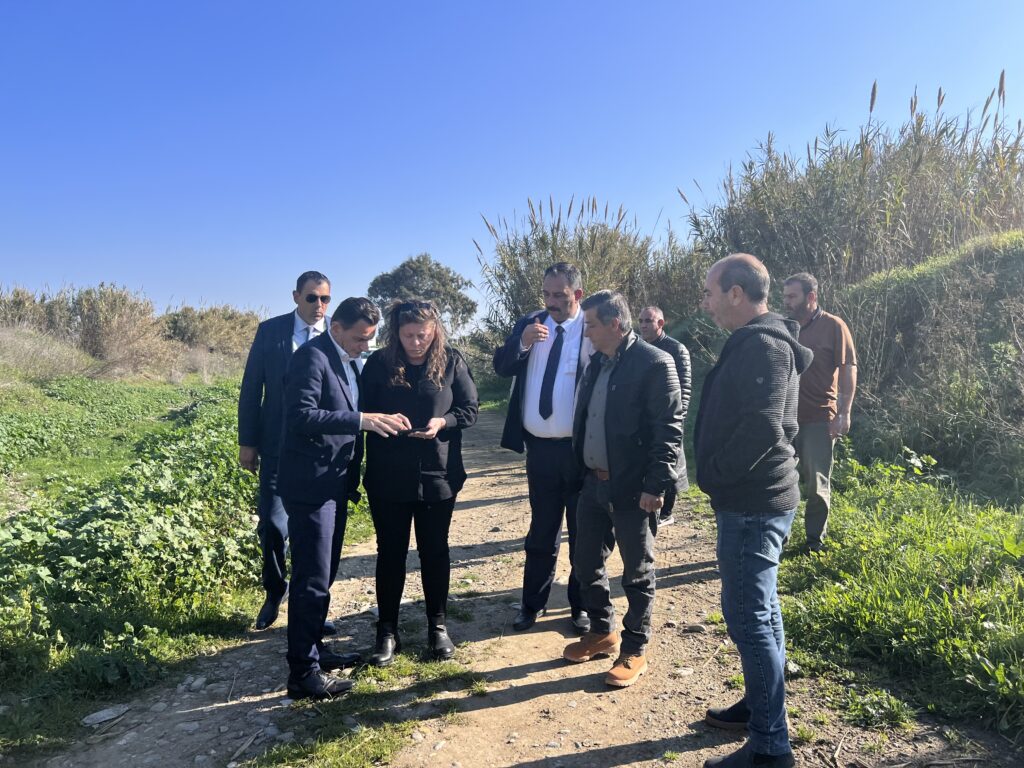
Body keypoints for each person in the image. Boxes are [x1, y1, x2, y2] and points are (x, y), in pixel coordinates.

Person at [695, 254, 811, 768]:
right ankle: (759, 708)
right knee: (762, 613)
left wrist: (714, 473)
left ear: (736, 293)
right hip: (759, 499)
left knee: (749, 618)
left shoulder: (763, 344)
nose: (707, 301)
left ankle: (770, 746)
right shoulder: (763, 339)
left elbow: (763, 428)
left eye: (710, 291)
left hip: (753, 501)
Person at [277, 297, 411, 700]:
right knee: (311, 581)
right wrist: (362, 420)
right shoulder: (312, 359)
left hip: (333, 485)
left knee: (325, 574)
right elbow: (301, 416)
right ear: (336, 328)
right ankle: (303, 673)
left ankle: (316, 650)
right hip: (311, 485)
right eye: (359, 338)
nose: (365, 346)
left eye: (370, 338)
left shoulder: (342, 359)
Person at [562, 291, 683, 688]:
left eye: (591, 325)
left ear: (616, 324)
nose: (587, 333)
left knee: (637, 572)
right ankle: (602, 632)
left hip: (634, 489)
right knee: (584, 565)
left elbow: (668, 431)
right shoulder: (597, 362)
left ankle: (634, 649)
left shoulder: (654, 363)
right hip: (592, 483)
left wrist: (656, 486)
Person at [359, 300, 479, 666]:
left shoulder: (452, 360)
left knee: (434, 551)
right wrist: (377, 419)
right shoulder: (378, 364)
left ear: (435, 331)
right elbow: (358, 409)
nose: (415, 343)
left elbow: (469, 409)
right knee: (390, 553)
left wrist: (442, 422)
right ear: (396, 333)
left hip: (437, 474)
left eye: (422, 336)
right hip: (387, 475)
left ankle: (437, 627)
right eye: (408, 335)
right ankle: (387, 632)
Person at [493, 262, 599, 634]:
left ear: (578, 295)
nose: (551, 303)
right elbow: (501, 367)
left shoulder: (591, 327)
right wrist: (522, 343)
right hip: (540, 450)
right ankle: (531, 604)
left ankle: (581, 606)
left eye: (560, 295)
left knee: (583, 532)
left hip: (580, 451)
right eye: (547, 294)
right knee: (541, 531)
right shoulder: (530, 322)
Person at [238, 270, 340, 633]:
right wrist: (247, 442)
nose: (319, 305)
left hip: (320, 454)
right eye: (312, 297)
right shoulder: (271, 332)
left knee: (315, 535)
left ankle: (313, 607)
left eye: (325, 298)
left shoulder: (336, 336)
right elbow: (252, 388)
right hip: (278, 448)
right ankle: (274, 591)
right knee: (272, 525)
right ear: (296, 296)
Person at [782, 272, 858, 552]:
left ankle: (814, 541)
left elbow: (849, 368)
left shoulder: (834, 326)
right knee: (782, 481)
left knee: (816, 485)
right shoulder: (785, 327)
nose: (786, 302)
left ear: (811, 297)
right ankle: (779, 540)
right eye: (785, 296)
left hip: (818, 419)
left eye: (792, 296)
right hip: (785, 419)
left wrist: (844, 412)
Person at [638, 305, 692, 526]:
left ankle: (667, 511)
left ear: (660, 323)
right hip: (645, 418)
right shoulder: (638, 348)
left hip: (669, 418)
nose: (643, 325)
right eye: (640, 320)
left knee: (671, 462)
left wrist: (677, 419)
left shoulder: (676, 349)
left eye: (648, 321)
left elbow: (685, 389)